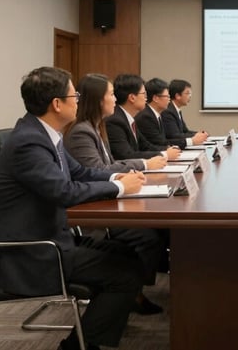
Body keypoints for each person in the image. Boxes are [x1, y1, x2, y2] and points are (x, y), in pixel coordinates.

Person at [0, 67, 145, 350]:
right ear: (57, 104)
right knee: (125, 275)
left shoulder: (45, 133)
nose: (78, 101)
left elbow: (81, 172)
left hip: (52, 237)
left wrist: (117, 177)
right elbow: (64, 192)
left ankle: (96, 330)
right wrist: (120, 189)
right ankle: (75, 346)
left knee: (127, 253)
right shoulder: (29, 142)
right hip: (32, 252)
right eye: (75, 96)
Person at [64, 73, 170, 313]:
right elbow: (96, 171)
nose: (115, 99)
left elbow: (109, 165)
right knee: (148, 236)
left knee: (156, 231)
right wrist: (135, 171)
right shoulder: (81, 131)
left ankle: (135, 290)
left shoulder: (96, 127)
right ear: (97, 100)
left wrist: (127, 174)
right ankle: (133, 294)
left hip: (104, 198)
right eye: (111, 95)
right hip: (94, 211)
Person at [105, 74, 181, 161]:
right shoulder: (115, 121)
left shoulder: (129, 118)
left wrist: (166, 149)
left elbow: (145, 146)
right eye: (144, 94)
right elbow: (125, 155)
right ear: (132, 98)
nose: (146, 98)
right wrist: (164, 154)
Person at [135, 77, 182, 148]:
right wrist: (189, 141)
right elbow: (159, 142)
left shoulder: (157, 114)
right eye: (167, 96)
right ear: (155, 98)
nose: (169, 100)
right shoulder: (146, 117)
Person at [161, 79, 208, 148]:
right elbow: (174, 135)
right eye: (187, 93)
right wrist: (196, 136)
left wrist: (199, 134)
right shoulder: (168, 111)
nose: (190, 96)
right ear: (177, 96)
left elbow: (185, 131)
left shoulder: (176, 110)